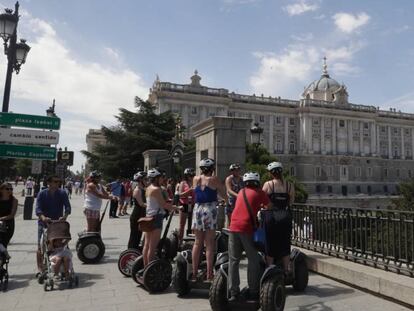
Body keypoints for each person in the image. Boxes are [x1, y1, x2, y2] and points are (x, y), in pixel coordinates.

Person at [227, 172, 269, 301]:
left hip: (233, 227)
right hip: (246, 228)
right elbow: (269, 206)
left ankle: (233, 292)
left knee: (233, 260)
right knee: (253, 259)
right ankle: (253, 290)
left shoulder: (240, 192)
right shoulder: (260, 192)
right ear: (257, 182)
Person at [191, 158, 226, 281]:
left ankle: (194, 272)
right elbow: (223, 192)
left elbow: (198, 192)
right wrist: (226, 201)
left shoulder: (195, 179)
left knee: (197, 242)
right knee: (209, 243)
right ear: (212, 169)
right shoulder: (214, 179)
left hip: (197, 209)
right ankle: (209, 273)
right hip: (209, 209)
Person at [262, 162, 295, 271]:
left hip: (271, 217)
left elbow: (262, 201)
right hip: (285, 217)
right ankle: (286, 269)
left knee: (270, 243)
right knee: (285, 243)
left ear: (271, 173)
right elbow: (291, 202)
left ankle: (270, 268)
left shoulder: (268, 184)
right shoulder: (289, 185)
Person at [35, 175, 71, 276]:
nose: (57, 184)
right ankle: (40, 269)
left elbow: (67, 206)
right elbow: (38, 209)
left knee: (61, 244)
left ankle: (63, 267)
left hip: (57, 224)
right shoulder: (42, 193)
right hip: (44, 223)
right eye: (54, 181)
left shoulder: (62, 193)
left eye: (58, 182)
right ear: (49, 183)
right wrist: (43, 217)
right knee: (41, 246)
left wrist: (65, 216)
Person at [142, 169, 175, 267]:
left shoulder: (148, 188)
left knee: (146, 245)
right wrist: (176, 207)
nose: (162, 179)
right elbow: (164, 204)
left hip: (148, 217)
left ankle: (145, 267)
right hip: (156, 218)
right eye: (161, 177)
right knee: (152, 247)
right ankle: (150, 269)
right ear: (156, 178)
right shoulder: (156, 190)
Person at [128, 171, 147, 249]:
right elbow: (141, 204)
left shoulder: (144, 189)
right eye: (145, 179)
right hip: (136, 215)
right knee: (134, 236)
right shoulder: (137, 190)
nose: (147, 181)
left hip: (141, 214)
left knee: (139, 234)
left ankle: (135, 251)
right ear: (140, 180)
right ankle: (131, 251)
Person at [0, 183, 18, 259]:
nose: (9, 190)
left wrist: (1, 219)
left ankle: (2, 265)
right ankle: (4, 252)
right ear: (1, 190)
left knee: (4, 242)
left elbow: (12, 215)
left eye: (11, 189)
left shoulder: (14, 200)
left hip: (8, 224)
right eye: (7, 189)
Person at [178, 168, 195, 243]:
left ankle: (192, 241)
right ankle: (180, 241)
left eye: (192, 175)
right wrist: (190, 190)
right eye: (189, 175)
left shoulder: (195, 182)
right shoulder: (183, 183)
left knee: (193, 225)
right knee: (182, 224)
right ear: (186, 176)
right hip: (184, 204)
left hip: (193, 204)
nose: (191, 177)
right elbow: (180, 195)